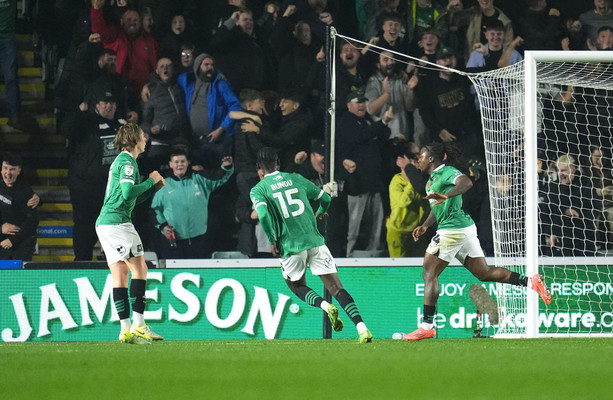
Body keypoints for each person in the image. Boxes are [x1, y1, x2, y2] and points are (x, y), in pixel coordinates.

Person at [404, 142, 552, 341]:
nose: (417, 161)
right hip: (462, 228)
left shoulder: (447, 172)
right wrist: (425, 225)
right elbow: (436, 206)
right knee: (484, 273)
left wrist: (447, 194)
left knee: (429, 272)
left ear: (431, 159)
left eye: (420, 157)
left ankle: (426, 326)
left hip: (452, 230)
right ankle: (531, 282)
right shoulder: (432, 180)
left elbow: (466, 182)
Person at [250, 147, 373, 344]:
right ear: (278, 164)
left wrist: (272, 239)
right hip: (315, 241)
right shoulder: (296, 178)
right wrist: (321, 212)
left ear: (260, 169)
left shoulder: (259, 189)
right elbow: (325, 198)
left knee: (297, 285)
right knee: (337, 287)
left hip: (290, 245)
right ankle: (362, 328)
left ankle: (325, 306)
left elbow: (263, 215)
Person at [95, 122, 165, 344]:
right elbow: (127, 194)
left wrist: (151, 187)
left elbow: (132, 198)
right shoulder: (127, 162)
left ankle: (125, 329)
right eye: (143, 137)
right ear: (135, 139)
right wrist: (150, 181)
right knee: (140, 269)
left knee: (120, 275)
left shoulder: (125, 162)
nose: (146, 140)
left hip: (106, 223)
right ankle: (139, 325)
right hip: (118, 223)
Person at [65, 91, 125, 261]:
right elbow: (68, 131)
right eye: (104, 102)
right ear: (97, 105)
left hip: (112, 190)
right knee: (85, 229)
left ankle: (112, 262)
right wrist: (79, 112)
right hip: (85, 189)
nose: (108, 105)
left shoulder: (123, 125)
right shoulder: (86, 122)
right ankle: (82, 263)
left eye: (112, 102)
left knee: (113, 228)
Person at [151, 148, 234, 259]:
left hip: (199, 240)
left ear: (187, 163)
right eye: (176, 162)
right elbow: (153, 210)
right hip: (173, 241)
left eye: (182, 161)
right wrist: (163, 226)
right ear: (171, 164)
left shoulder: (199, 179)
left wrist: (226, 167)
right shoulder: (163, 185)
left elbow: (219, 178)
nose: (179, 164)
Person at [386, 142, 429, 257]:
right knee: (399, 268)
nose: (418, 159)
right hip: (399, 231)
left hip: (417, 231)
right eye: (414, 156)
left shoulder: (422, 180)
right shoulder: (397, 181)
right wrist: (411, 182)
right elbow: (403, 202)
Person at [0, 153, 39, 261]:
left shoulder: (26, 192)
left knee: (17, 275)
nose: (8, 173)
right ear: (1, 170)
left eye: (12, 169)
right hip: (3, 239)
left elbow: (32, 221)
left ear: (19, 171)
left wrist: (13, 240)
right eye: (5, 168)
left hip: (21, 242)